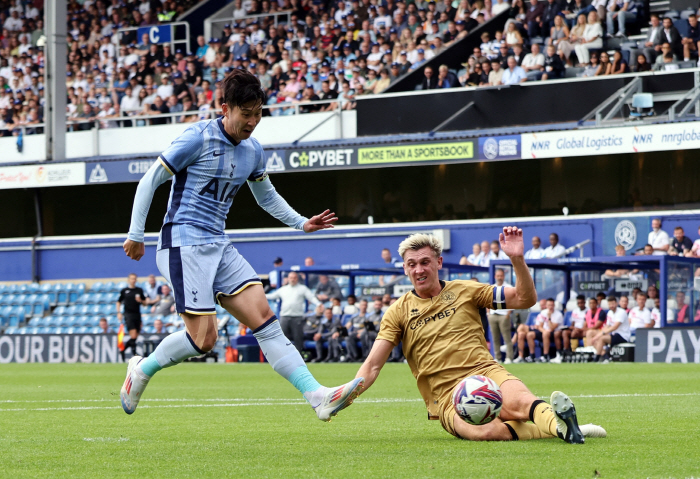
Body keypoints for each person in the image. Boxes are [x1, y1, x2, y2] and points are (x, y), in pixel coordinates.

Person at [119, 70, 363, 421]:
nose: (252, 122)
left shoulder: (253, 152)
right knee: (204, 339)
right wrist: (136, 233)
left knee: (264, 317)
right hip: (183, 243)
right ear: (225, 109)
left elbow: (267, 198)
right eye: (245, 114)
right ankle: (141, 370)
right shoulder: (196, 138)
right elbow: (149, 180)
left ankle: (318, 396)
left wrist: (301, 223)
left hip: (219, 244)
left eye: (258, 113)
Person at [353, 228, 604, 442]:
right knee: (486, 432)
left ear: (439, 263)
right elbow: (373, 365)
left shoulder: (467, 290)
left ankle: (566, 430)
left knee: (522, 402)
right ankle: (556, 428)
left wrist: (517, 259)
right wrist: (343, 396)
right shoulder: (397, 312)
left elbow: (525, 298)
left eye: (425, 262)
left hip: (486, 373)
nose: (419, 269)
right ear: (405, 270)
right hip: (447, 396)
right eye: (412, 264)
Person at [265, 271, 321, 353]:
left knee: (298, 337)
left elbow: (311, 297)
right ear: (288, 279)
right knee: (282, 337)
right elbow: (272, 296)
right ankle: (283, 355)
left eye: (294, 278)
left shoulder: (302, 288)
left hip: (297, 317)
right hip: (285, 316)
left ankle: (298, 357)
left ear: (297, 279)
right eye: (291, 278)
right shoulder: (283, 289)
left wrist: (318, 303)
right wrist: (261, 295)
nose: (292, 279)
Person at [590, 296, 631, 362]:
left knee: (601, 338)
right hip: (614, 335)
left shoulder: (621, 312)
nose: (611, 305)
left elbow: (615, 327)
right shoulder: (609, 313)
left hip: (622, 336)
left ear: (616, 303)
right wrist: (596, 336)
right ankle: (605, 357)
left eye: (613, 303)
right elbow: (607, 326)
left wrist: (600, 335)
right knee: (594, 336)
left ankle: (596, 359)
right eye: (609, 304)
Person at [117, 273, 145, 361]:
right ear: (128, 280)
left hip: (137, 314)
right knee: (133, 335)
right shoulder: (124, 291)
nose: (133, 280)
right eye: (132, 279)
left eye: (135, 279)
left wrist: (140, 300)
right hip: (128, 315)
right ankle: (135, 354)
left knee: (135, 336)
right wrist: (119, 312)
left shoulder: (139, 290)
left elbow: (144, 303)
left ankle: (123, 350)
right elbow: (118, 302)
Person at [488, 268, 513, 364]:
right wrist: (488, 313)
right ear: (495, 276)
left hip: (504, 315)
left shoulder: (508, 287)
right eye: (498, 276)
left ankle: (509, 358)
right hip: (493, 315)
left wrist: (508, 314)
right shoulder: (492, 287)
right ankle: (497, 357)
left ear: (504, 276)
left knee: (507, 337)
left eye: (501, 275)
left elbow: (513, 301)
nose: (499, 277)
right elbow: (487, 301)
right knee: (495, 338)